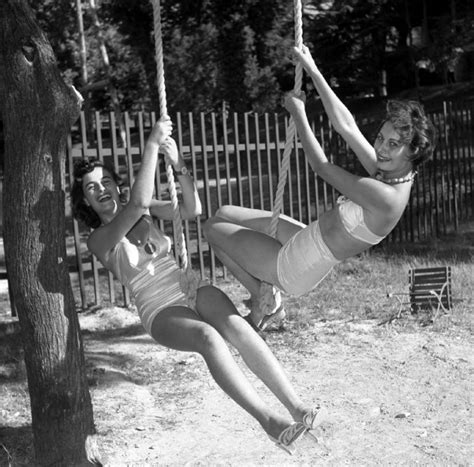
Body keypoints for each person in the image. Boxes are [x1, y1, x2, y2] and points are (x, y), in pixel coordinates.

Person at [70, 116, 325, 454]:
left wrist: (179, 165)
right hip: (160, 308)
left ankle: (296, 407)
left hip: (186, 285)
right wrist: (151, 144)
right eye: (91, 187)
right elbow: (137, 204)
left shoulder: (147, 215)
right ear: (86, 202)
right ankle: (270, 421)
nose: (101, 189)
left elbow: (193, 208)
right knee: (208, 338)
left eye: (105, 181)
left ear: (117, 185)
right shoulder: (100, 239)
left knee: (237, 328)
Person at [203, 45, 437, 329]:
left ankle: (264, 301)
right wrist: (312, 70)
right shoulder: (392, 172)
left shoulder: (386, 196)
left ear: (412, 152)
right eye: (381, 137)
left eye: (393, 144)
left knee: (211, 228)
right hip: (307, 236)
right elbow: (347, 126)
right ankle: (266, 298)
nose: (381, 148)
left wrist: (298, 113)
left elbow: (322, 167)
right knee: (225, 212)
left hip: (295, 265)